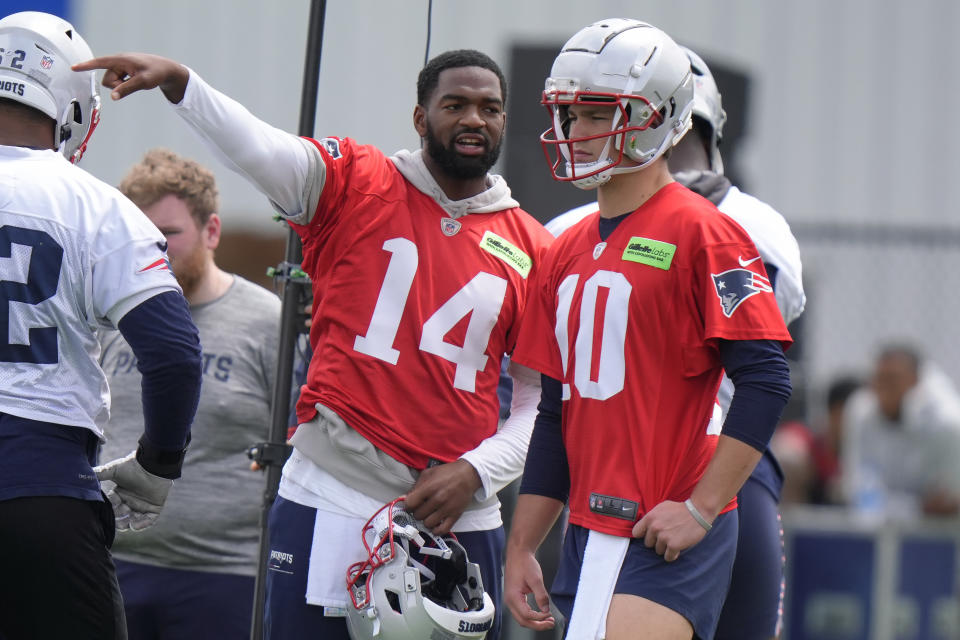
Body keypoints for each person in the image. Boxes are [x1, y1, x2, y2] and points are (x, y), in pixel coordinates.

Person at [75, 45, 553, 640]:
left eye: (490, 108)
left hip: (458, 509)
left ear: (506, 120)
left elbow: (544, 406)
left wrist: (476, 471)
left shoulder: (535, 247)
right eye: (454, 104)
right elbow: (260, 147)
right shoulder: (356, 179)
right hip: (336, 488)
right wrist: (183, 85)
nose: (474, 119)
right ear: (420, 115)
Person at [503, 18, 793, 640]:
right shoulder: (566, 246)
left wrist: (702, 507)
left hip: (665, 525)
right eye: (570, 113)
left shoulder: (707, 231)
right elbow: (557, 410)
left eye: (598, 113)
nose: (575, 132)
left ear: (659, 115)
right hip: (586, 523)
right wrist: (523, 541)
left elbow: (766, 376)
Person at [0, 12, 201, 640]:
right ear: (73, 109)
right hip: (39, 491)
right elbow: (172, 354)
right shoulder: (97, 208)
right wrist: (158, 462)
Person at [97, 148, 281, 639]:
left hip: (223, 575)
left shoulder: (269, 323)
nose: (156, 250)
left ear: (212, 232)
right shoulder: (110, 315)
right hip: (111, 564)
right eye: (143, 237)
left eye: (170, 234)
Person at [842, 344, 960, 517]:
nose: (883, 389)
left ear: (915, 382)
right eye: (879, 379)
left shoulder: (946, 423)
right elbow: (858, 491)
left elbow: (949, 501)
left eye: (893, 379)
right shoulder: (860, 412)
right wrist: (918, 507)